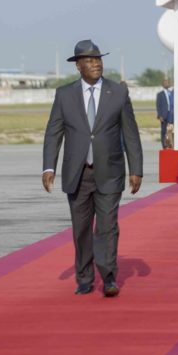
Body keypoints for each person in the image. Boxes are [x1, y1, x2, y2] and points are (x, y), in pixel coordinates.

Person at [41, 40, 142, 297]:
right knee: (81, 229)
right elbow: (54, 132)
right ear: (78, 66)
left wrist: (136, 169)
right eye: (89, 60)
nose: (96, 63)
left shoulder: (118, 93)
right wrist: (48, 167)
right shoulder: (64, 95)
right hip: (78, 174)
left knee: (107, 227)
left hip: (110, 172)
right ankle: (84, 278)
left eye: (98, 59)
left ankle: (108, 277)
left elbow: (130, 133)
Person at [156, 78, 173, 148]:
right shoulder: (160, 94)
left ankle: (171, 144)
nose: (167, 84)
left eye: (168, 83)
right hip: (163, 115)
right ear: (162, 85)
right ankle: (164, 145)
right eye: (165, 83)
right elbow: (158, 105)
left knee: (171, 130)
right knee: (163, 131)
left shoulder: (172, 93)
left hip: (171, 114)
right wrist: (160, 116)